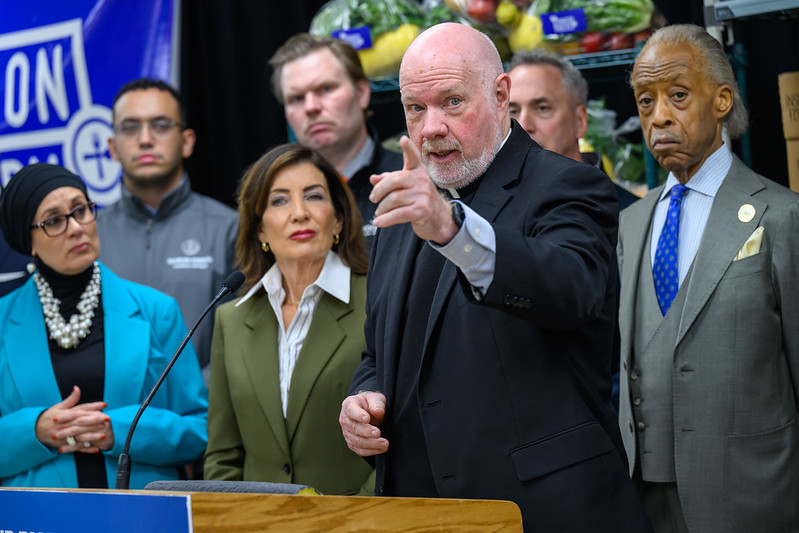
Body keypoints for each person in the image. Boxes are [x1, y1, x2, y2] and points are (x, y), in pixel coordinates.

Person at [338, 23, 650, 530]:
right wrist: (363, 402)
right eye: (415, 108)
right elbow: (380, 351)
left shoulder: (568, 184)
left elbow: (570, 289)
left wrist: (452, 230)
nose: (431, 127)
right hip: (419, 511)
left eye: (452, 102)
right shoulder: (403, 210)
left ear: (501, 95)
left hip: (542, 512)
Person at [617, 24, 799, 532]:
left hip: (751, 498)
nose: (659, 117)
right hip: (646, 496)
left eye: (678, 95)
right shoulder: (631, 223)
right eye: (645, 101)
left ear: (722, 100)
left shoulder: (780, 217)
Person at [0, 163, 207, 489]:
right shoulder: (2, 322)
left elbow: (199, 431)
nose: (75, 228)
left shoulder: (157, 311)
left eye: (81, 210)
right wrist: (36, 429)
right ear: (29, 243)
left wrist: (118, 431)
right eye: (54, 221)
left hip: (141, 513)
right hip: (39, 517)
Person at [204, 144, 374, 495]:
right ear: (260, 230)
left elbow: (405, 435)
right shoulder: (230, 320)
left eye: (313, 196)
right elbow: (223, 458)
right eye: (279, 201)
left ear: (338, 218)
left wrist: (354, 519)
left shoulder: (378, 299)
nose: (299, 213)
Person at [98, 78, 238, 382]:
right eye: (130, 127)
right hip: (112, 420)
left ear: (187, 141)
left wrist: (194, 397)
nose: (145, 139)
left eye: (161, 125)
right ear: (112, 146)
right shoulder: (88, 236)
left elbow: (245, 342)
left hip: (203, 418)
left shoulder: (229, 228)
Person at [268, 33, 402, 246]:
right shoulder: (273, 200)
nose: (311, 107)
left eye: (325, 89)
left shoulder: (407, 181)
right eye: (296, 98)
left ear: (361, 93)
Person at [508, 49, 638, 210]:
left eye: (542, 108)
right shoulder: (484, 217)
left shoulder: (630, 217)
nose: (523, 125)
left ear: (580, 121)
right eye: (512, 111)